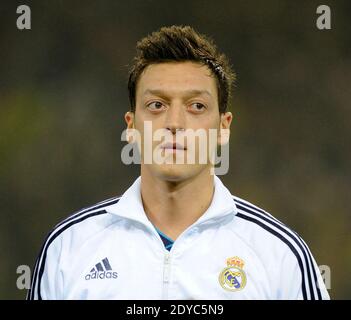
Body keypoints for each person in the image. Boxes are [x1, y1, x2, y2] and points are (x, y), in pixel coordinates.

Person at [27, 25, 329, 300]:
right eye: (156, 105)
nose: (174, 122)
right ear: (131, 127)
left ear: (223, 127)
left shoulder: (280, 256)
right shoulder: (68, 248)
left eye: (196, 106)